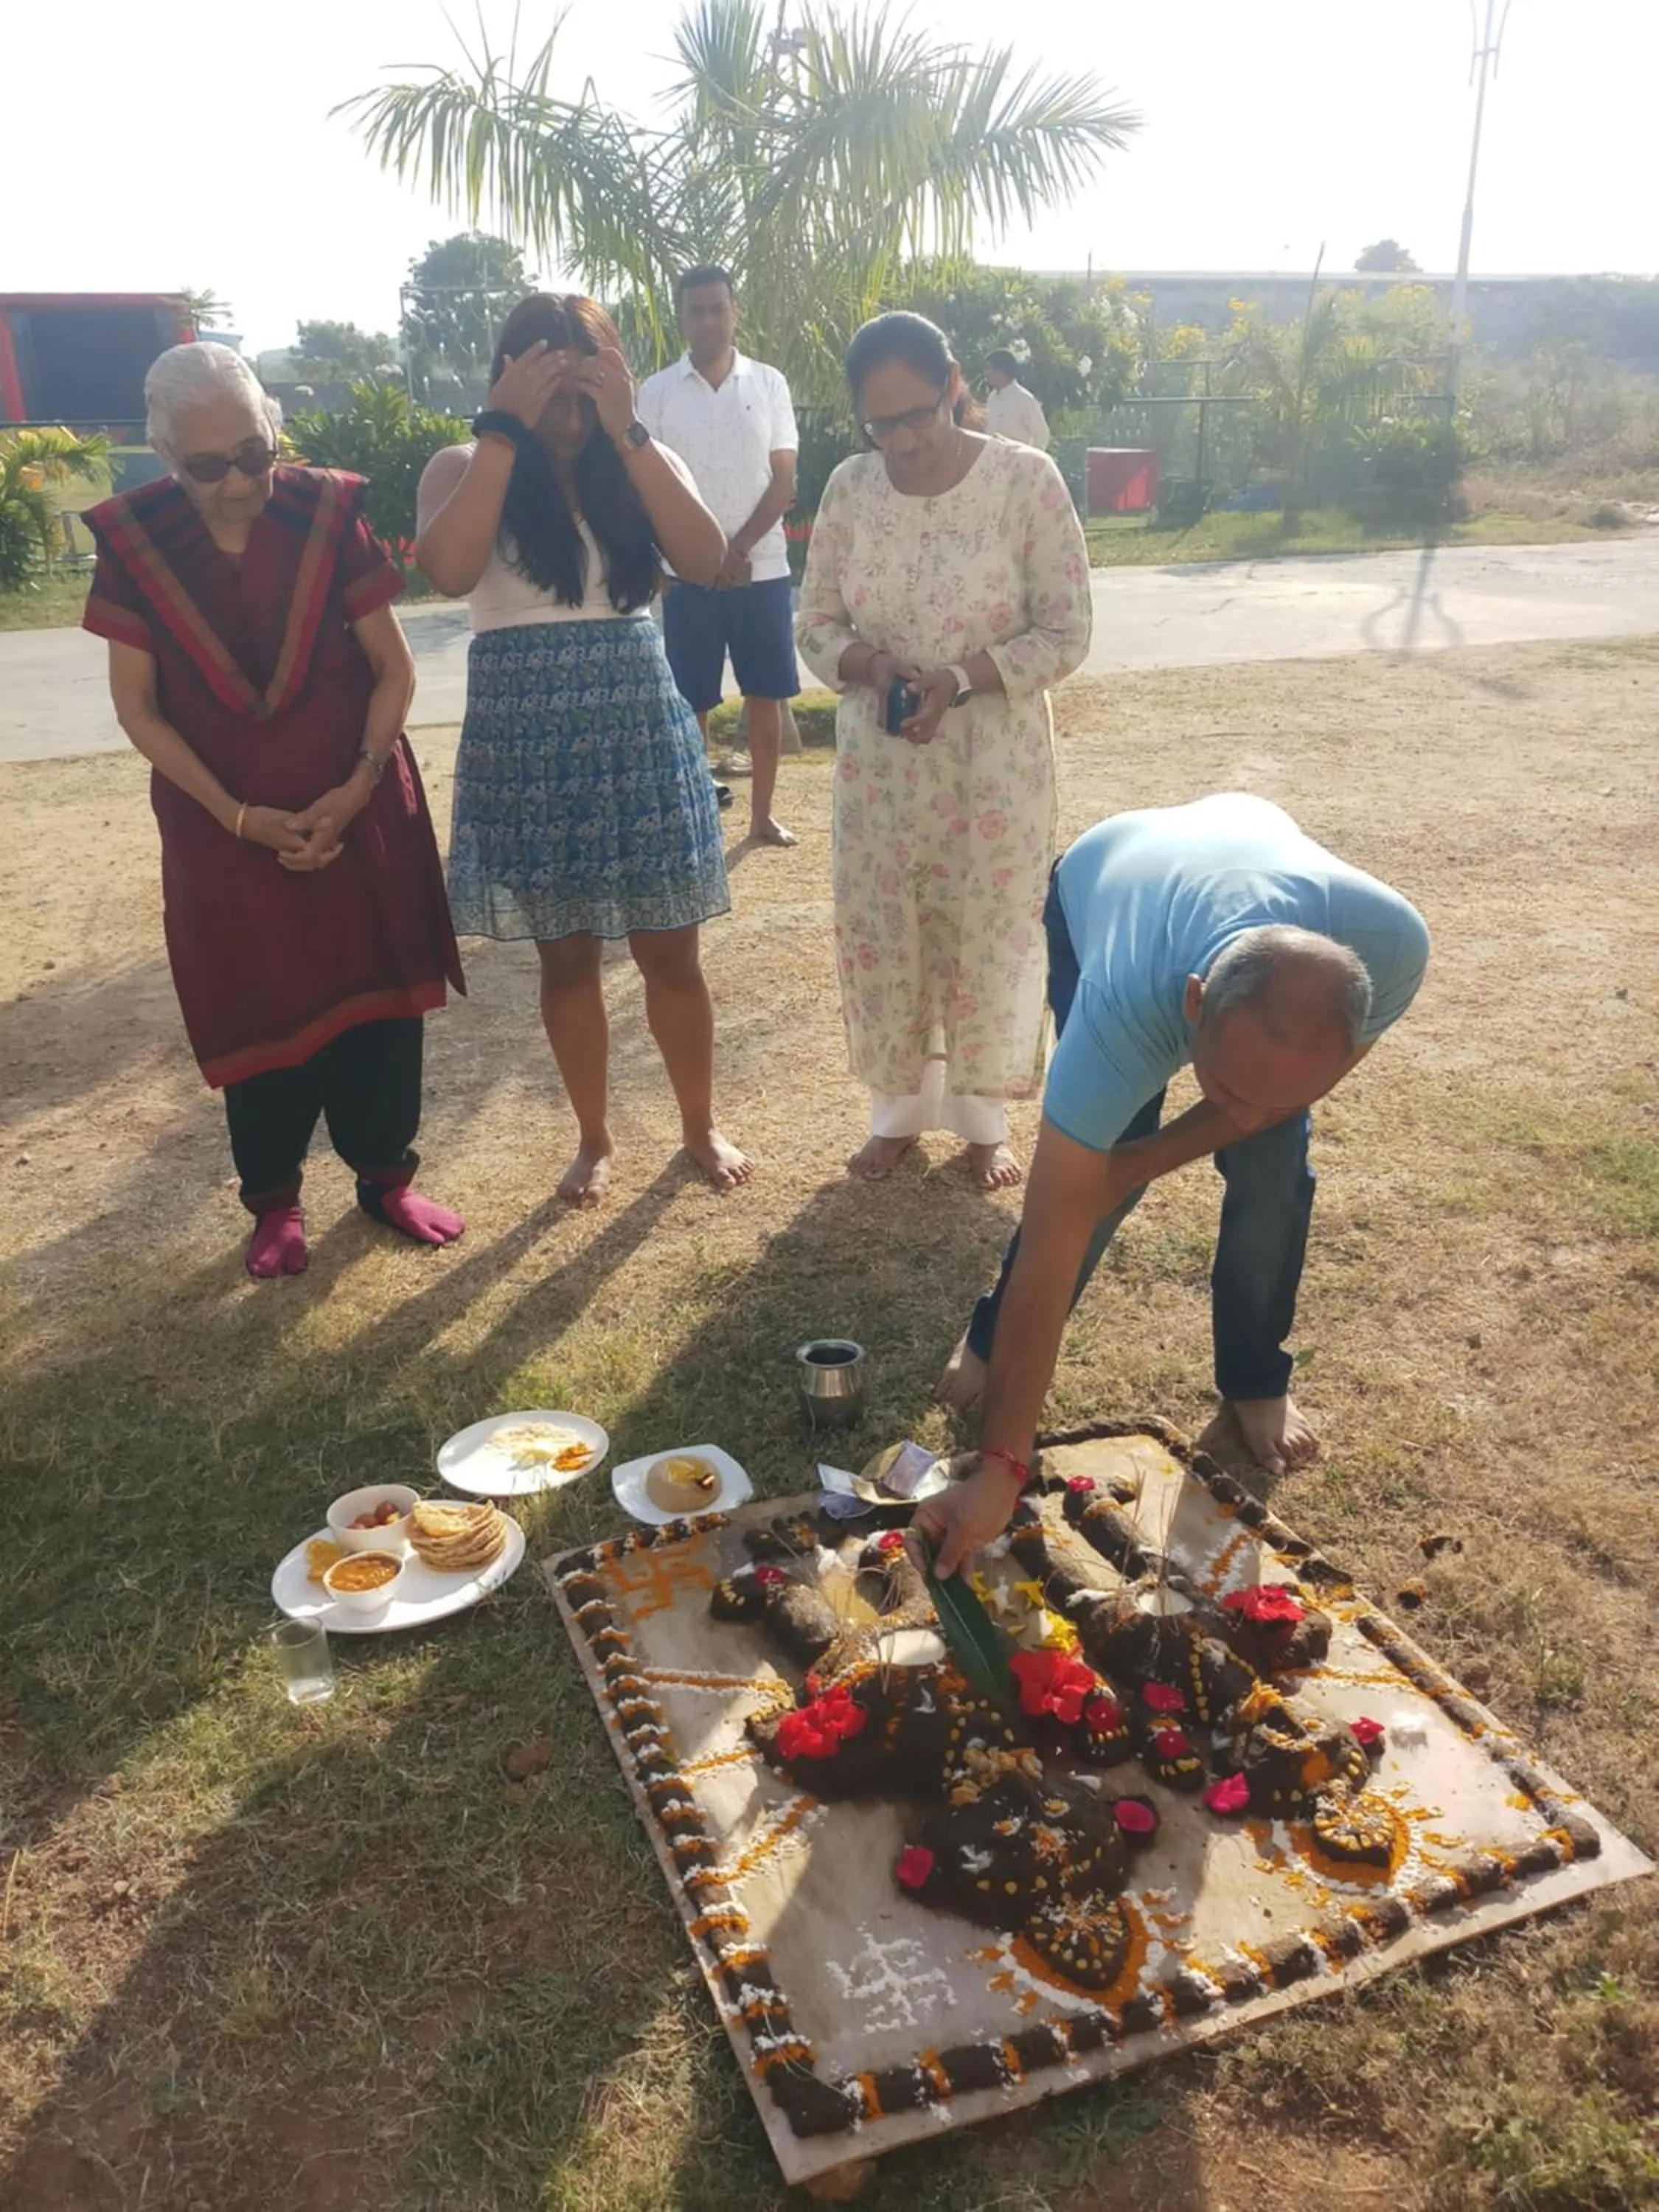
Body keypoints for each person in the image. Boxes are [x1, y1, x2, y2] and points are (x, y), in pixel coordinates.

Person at [919, 793, 1431, 1576]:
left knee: (1273, 1165)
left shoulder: (1392, 948)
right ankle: (990, 1336)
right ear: (1195, 1006)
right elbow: (1055, 1228)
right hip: (1105, 876)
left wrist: (1137, 1166)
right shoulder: (1125, 1005)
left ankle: (1256, 1376)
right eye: (1226, 1082)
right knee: (1095, 1166)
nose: (1247, 1111)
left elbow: (1259, 1111)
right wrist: (1002, 1465)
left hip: (1242, 835)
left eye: (1280, 1091)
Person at [83, 343, 465, 1281]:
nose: (239, 483)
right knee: (257, 1003)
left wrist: (358, 786)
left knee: (379, 998)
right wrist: (242, 817)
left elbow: (394, 669)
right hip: (222, 827)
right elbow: (139, 709)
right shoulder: (137, 542)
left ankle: (386, 1180)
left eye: (253, 454)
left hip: (357, 799)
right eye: (206, 466)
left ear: (275, 430)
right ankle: (276, 1204)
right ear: (164, 455)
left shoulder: (326, 508)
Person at [415, 293, 751, 1208]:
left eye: (585, 359)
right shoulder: (463, 462)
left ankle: (696, 1125)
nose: (567, 380)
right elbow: (446, 571)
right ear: (507, 370)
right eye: (544, 361)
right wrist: (502, 432)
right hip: (527, 735)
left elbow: (704, 554)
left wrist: (629, 430)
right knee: (565, 960)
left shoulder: (639, 459)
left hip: (637, 723)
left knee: (671, 952)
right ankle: (595, 1139)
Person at [796, 311, 1092, 1190]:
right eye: (880, 423)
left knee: (986, 930)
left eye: (917, 415)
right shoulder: (851, 489)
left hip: (991, 764)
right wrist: (875, 665)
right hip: (881, 768)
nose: (902, 440)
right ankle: (895, 1114)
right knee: (889, 932)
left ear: (955, 383)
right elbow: (814, 625)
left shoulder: (1024, 482)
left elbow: (1067, 631)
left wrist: (962, 678)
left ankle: (982, 1120)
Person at [636, 267, 801, 848]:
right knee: (691, 703)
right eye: (695, 311)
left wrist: (735, 551)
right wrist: (686, 559)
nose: (707, 320)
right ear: (681, 318)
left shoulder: (770, 385)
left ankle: (761, 817)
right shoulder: (654, 394)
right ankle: (697, 816)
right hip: (687, 578)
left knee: (764, 696)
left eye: (717, 308)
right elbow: (643, 485)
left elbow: (783, 479)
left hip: (763, 570)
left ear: (736, 311)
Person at [984, 350, 1051, 452]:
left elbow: (1042, 435)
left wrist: (1027, 461)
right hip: (992, 462)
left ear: (1000, 372)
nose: (986, 374)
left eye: (989, 369)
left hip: (1015, 464)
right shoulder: (992, 398)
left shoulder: (1024, 399)